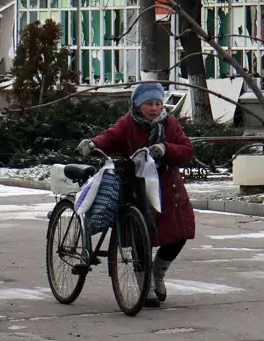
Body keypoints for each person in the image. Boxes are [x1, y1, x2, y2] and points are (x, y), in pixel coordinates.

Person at [79, 82, 195, 308]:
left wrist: (166, 149)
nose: (154, 108)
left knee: (181, 233)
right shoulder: (127, 124)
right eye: (149, 104)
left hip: (168, 191)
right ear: (137, 104)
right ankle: (145, 284)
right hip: (136, 189)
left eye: (158, 103)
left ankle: (158, 273)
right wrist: (93, 144)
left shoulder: (170, 124)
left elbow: (186, 150)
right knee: (141, 238)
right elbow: (109, 137)